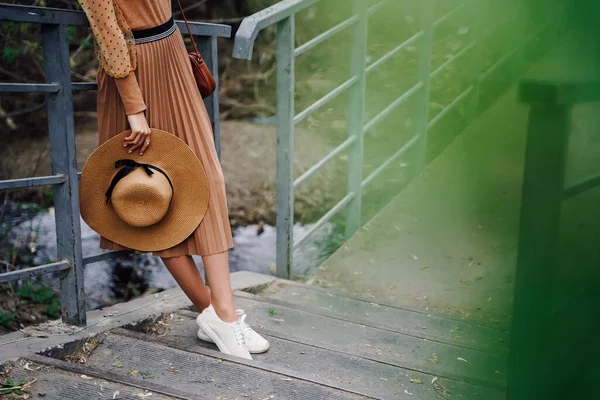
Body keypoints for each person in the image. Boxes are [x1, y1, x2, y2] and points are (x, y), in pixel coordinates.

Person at [76, 0, 269, 360]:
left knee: (207, 180)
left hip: (172, 55)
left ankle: (220, 315)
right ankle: (218, 315)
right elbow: (108, 35)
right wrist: (135, 109)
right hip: (134, 75)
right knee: (155, 197)